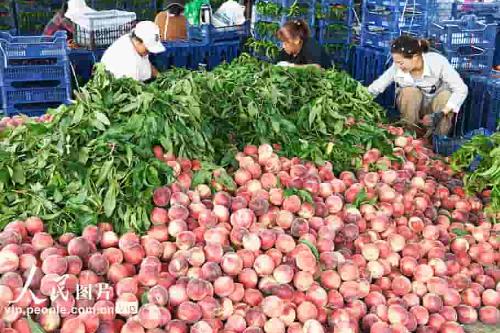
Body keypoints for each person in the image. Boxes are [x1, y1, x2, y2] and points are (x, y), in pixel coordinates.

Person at [368, 35, 468, 136]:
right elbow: (378, 85)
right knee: (409, 92)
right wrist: (362, 99)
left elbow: (461, 89)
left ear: (415, 57)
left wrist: (441, 113)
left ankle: (437, 140)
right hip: (413, 111)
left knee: (445, 96)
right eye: (396, 63)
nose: (398, 66)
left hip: (436, 108)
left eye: (401, 63)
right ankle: (410, 135)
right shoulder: (397, 68)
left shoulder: (437, 62)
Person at [100, 21, 166, 82]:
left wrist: (161, 78)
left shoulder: (136, 44)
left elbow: (147, 64)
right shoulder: (128, 59)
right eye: (147, 49)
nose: (149, 52)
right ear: (138, 41)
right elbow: (135, 89)